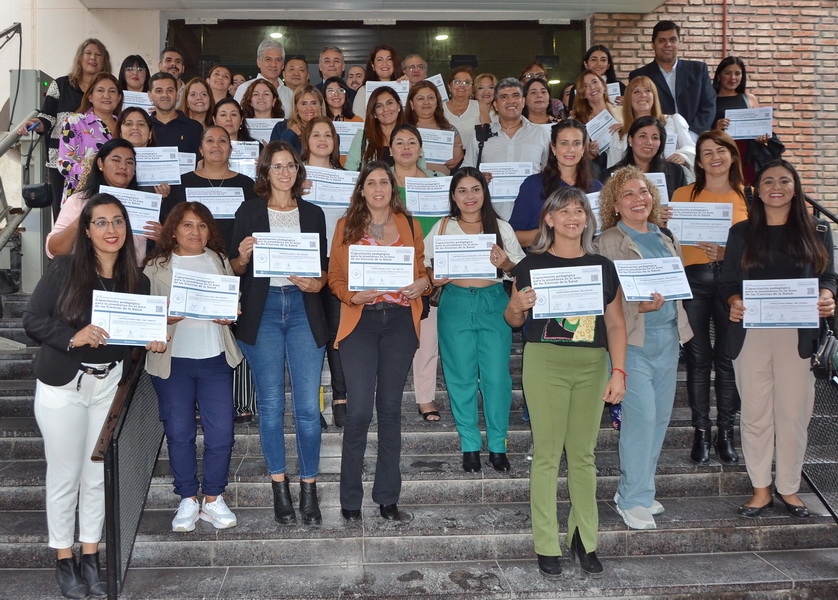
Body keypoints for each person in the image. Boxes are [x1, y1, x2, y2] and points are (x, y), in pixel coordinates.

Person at [23, 193, 167, 600]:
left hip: (107, 386)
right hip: (63, 387)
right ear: (86, 230)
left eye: (118, 222)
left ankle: (90, 555)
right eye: (101, 222)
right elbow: (32, 320)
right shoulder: (65, 268)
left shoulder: (134, 280)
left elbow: (127, 341)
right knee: (65, 475)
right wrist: (72, 337)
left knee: (94, 477)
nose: (111, 230)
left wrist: (150, 341)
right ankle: (63, 558)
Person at [506, 187, 626, 579]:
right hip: (545, 361)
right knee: (546, 454)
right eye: (564, 211)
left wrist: (618, 371)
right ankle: (546, 543)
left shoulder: (602, 266)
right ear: (550, 219)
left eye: (579, 210)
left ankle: (584, 539)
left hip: (591, 364)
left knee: (583, 455)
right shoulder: (529, 265)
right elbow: (514, 320)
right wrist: (517, 306)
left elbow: (615, 323)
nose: (573, 216)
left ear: (587, 218)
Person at [722, 159, 836, 519]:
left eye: (784, 180)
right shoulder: (741, 232)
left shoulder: (817, 230)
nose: (776, 186)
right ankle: (760, 490)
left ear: (795, 187)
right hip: (751, 334)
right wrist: (734, 300)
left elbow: (829, 277)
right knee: (755, 414)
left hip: (798, 336)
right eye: (768, 180)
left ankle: (789, 489)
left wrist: (828, 296)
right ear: (758, 190)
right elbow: (727, 282)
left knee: (794, 415)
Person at [229, 141, 328, 526]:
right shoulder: (248, 211)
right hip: (263, 309)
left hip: (304, 310)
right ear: (265, 172)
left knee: (307, 407)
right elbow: (235, 269)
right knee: (270, 406)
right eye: (276, 166)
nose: (284, 173)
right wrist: (243, 255)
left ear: (298, 170)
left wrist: (318, 284)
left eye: (290, 166)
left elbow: (321, 270)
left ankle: (309, 488)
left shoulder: (314, 213)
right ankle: (279, 487)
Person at [328, 161, 431, 522]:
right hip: (361, 323)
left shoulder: (410, 224)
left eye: (383, 182)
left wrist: (424, 284)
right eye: (370, 182)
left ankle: (388, 498)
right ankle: (350, 500)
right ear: (361, 189)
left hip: (399, 323)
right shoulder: (346, 226)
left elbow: (422, 272)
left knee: (389, 410)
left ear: (392, 188)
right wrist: (351, 297)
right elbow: (335, 277)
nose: (378, 188)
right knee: (358, 412)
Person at [594, 166, 693, 530]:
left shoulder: (665, 236)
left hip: (668, 337)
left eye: (643, 192)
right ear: (615, 205)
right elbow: (606, 300)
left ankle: (637, 490)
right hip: (632, 342)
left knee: (660, 420)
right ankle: (633, 500)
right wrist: (639, 307)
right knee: (642, 419)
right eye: (629, 195)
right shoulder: (605, 241)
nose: (639, 199)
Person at [143, 202, 243, 532]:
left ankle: (213, 499)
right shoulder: (155, 267)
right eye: (187, 225)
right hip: (174, 362)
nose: (195, 232)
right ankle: (187, 498)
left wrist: (231, 314)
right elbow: (143, 315)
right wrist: (165, 317)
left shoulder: (217, 260)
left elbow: (233, 304)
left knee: (221, 434)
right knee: (180, 433)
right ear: (173, 230)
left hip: (215, 358)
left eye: (201, 226)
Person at [425, 168, 525, 471]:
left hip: (494, 303)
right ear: (453, 196)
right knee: (460, 376)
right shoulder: (442, 227)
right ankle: (469, 444)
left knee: (496, 377)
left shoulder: (501, 227)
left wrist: (504, 263)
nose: (470, 196)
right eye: (462, 191)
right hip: (455, 304)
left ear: (485, 192)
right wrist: (435, 277)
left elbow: (520, 271)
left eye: (475, 189)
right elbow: (426, 269)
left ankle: (498, 444)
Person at [671, 130, 749, 465]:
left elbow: (762, 249)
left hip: (734, 287)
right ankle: (701, 432)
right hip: (693, 284)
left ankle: (726, 434)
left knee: (728, 360)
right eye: (706, 153)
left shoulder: (750, 198)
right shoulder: (682, 194)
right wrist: (659, 221)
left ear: (732, 154)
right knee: (699, 361)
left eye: (720, 150)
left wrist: (728, 251)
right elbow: (668, 242)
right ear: (698, 161)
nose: (714, 157)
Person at [18, 38, 111, 218]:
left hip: (95, 161)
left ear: (104, 61)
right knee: (63, 213)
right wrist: (35, 124)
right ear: (80, 58)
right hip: (61, 161)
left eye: (98, 55)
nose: (93, 58)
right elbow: (48, 116)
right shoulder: (61, 84)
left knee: (96, 212)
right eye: (88, 53)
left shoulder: (105, 90)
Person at [387, 124, 442, 420]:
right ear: (391, 149)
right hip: (392, 266)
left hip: (429, 266)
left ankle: (425, 398)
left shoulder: (438, 183)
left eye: (412, 142)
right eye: (399, 142)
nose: (406, 147)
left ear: (421, 149)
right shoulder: (382, 183)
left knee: (427, 338)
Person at [300, 117, 349, 427]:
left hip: (338, 263)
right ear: (307, 140)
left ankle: (341, 396)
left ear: (335, 141)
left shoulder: (348, 178)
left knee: (336, 333)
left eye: (327, 135)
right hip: (304, 262)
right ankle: (311, 401)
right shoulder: (293, 176)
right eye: (316, 134)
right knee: (309, 335)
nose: (322, 139)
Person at [47, 138, 160, 265]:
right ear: (101, 163)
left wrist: (161, 237)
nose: (123, 166)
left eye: (129, 162)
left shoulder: (144, 203)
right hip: (85, 277)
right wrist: (82, 219)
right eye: (116, 160)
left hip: (132, 278)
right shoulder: (78, 201)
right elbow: (54, 250)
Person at [510, 119, 603, 248]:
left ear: (583, 149)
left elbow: (602, 234)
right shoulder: (533, 185)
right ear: (553, 147)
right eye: (564, 143)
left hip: (584, 262)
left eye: (576, 143)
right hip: (545, 262)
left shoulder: (596, 188)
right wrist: (557, 232)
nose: (570, 149)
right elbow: (515, 237)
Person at [163, 125, 257, 250]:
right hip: (192, 258)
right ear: (201, 149)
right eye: (210, 140)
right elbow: (169, 224)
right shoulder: (182, 183)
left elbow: (252, 226)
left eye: (222, 141)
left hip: (236, 260)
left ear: (230, 149)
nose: (216, 145)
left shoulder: (247, 184)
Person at [629, 20, 716, 138]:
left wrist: (691, 135)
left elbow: (708, 105)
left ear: (679, 42)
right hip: (657, 140)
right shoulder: (640, 76)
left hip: (696, 137)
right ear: (653, 45)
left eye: (673, 40)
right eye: (662, 40)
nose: (668, 44)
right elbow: (638, 112)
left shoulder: (698, 70)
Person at [462, 78, 551, 183]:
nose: (511, 101)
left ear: (523, 102)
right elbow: (464, 172)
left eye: (516, 96)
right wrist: (476, 178)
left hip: (530, 199)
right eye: (504, 97)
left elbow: (550, 172)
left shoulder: (540, 134)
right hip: (490, 199)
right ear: (495, 105)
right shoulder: (480, 134)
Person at [712, 56, 784, 185]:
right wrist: (716, 130)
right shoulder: (710, 99)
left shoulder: (749, 98)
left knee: (748, 192)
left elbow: (761, 127)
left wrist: (764, 137)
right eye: (727, 73)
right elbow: (701, 132)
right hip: (721, 154)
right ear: (719, 76)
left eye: (737, 73)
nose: (733, 78)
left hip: (747, 155)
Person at [605, 76, 695, 176]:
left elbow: (692, 148)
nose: (643, 95)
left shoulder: (673, 121)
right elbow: (613, 172)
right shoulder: (620, 134)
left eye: (648, 90)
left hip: (672, 181)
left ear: (654, 96)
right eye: (636, 92)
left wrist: (683, 156)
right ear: (628, 99)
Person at [58, 72, 122, 201]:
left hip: (117, 195)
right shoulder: (75, 122)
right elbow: (64, 164)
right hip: (82, 195)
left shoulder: (125, 125)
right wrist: (95, 175)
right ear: (90, 96)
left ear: (119, 97)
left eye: (112, 91)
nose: (106, 96)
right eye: (100, 90)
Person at [606, 116, 688, 202]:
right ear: (630, 140)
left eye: (655, 138)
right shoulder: (611, 175)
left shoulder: (676, 172)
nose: (649, 142)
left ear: (661, 143)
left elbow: (682, 208)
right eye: (642, 136)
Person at [406, 80, 464, 175]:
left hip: (441, 185)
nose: (426, 102)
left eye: (430, 98)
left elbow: (459, 159)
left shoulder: (450, 130)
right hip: (411, 183)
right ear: (412, 104)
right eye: (420, 98)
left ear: (437, 102)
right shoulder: (404, 131)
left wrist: (455, 162)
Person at [345, 86, 406, 170]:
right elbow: (350, 169)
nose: (385, 109)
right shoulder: (362, 137)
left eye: (390, 103)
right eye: (379, 106)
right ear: (374, 113)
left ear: (399, 106)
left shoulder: (411, 136)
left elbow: (421, 171)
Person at [573, 70, 622, 165]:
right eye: (586, 86)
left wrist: (625, 129)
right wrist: (590, 155)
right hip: (596, 171)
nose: (592, 87)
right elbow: (573, 153)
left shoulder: (623, 111)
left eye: (595, 82)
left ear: (604, 86)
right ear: (582, 94)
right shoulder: (575, 120)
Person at [148, 72, 203, 155]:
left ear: (177, 94)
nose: (165, 95)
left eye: (170, 90)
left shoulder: (195, 128)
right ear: (150, 95)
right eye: (159, 91)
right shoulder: (144, 127)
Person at [234, 39, 294, 115]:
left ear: (282, 65)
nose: (273, 64)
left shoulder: (289, 93)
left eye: (278, 60)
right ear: (259, 62)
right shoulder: (245, 88)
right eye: (268, 59)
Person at [351, 44, 404, 119]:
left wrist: (408, 86)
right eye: (380, 59)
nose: (385, 63)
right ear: (373, 65)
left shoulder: (405, 87)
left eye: (389, 59)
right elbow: (358, 121)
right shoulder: (363, 91)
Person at [271, 85, 326, 154]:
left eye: (314, 103)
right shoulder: (281, 127)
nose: (309, 108)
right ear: (296, 108)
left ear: (320, 107)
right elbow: (274, 156)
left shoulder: (328, 131)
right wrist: (290, 135)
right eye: (304, 104)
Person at [443, 67, 481, 152]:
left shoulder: (480, 106)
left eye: (467, 82)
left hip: (475, 158)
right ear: (449, 86)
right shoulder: (439, 109)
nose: (462, 85)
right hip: (447, 159)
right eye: (457, 82)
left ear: (472, 87)